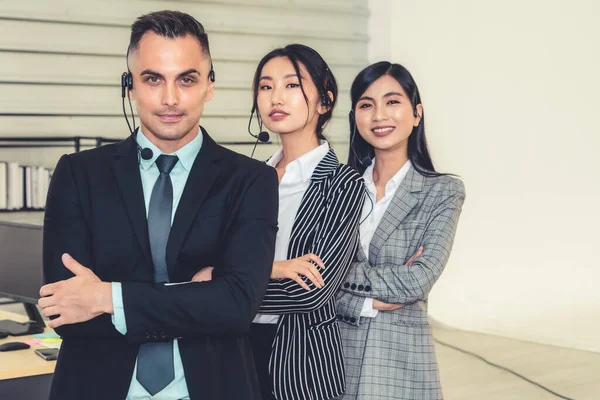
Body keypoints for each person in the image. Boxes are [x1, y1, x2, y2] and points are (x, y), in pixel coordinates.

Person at [38, 11, 278, 400]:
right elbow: (65, 313)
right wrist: (196, 300)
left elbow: (236, 306)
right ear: (130, 86)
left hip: (212, 387)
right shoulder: (79, 173)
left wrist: (106, 296)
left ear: (209, 86)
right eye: (153, 79)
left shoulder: (250, 180)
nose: (170, 99)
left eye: (186, 79)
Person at [194, 44, 365, 400]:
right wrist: (274, 269)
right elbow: (200, 263)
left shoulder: (344, 184)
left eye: (292, 85)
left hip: (301, 361)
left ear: (325, 101)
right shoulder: (243, 178)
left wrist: (226, 286)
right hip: (231, 347)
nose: (276, 97)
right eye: (266, 86)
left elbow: (312, 293)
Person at [336, 61, 466, 400]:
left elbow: (417, 280)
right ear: (355, 117)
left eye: (392, 102)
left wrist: (340, 277)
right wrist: (367, 301)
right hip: (333, 361)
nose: (379, 115)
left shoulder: (443, 192)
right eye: (367, 105)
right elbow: (313, 277)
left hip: (401, 363)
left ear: (416, 113)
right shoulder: (337, 189)